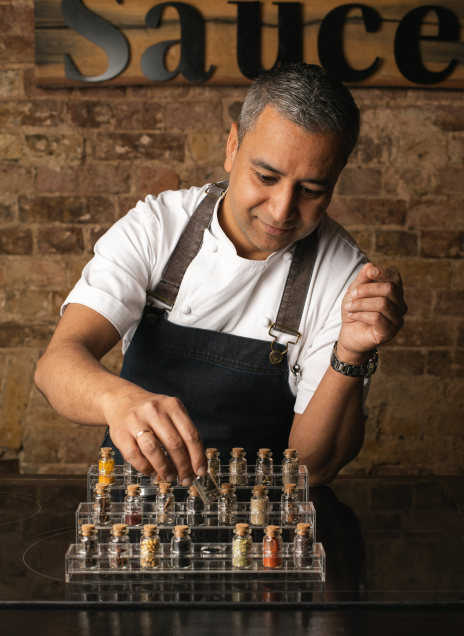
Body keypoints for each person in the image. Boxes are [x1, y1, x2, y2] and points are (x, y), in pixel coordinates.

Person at [35, 64, 407, 487]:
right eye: (266, 177)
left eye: (311, 190)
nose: (281, 210)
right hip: (133, 518)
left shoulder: (344, 279)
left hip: (260, 525)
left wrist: (352, 355)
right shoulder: (158, 228)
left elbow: (312, 469)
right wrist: (117, 398)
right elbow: (55, 365)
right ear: (233, 146)